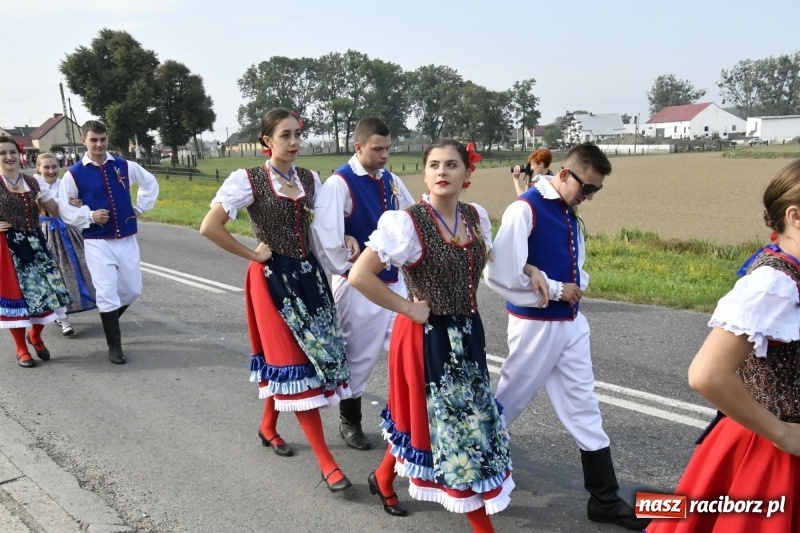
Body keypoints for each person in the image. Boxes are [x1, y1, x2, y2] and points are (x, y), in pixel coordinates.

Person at [349, 140, 513, 532]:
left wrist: (535, 273)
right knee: (459, 431)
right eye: (434, 165)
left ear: (466, 175)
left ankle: (384, 477)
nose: (442, 171)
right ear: (424, 174)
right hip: (425, 335)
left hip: (468, 333)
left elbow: (493, 266)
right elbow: (360, 275)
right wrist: (407, 307)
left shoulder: (476, 218)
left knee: (425, 419)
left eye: (452, 165)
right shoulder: (406, 223)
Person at [484, 142, 649, 530]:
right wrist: (557, 290)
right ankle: (468, 471)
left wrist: (573, 287)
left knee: (585, 408)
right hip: (536, 326)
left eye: (596, 191)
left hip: (571, 324)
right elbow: (499, 274)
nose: (589, 197)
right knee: (508, 403)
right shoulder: (524, 208)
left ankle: (604, 499)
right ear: (563, 174)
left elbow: (579, 264)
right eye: (586, 188)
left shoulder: (568, 212)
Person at [200, 108, 354, 493]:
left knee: (306, 359)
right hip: (271, 280)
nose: (294, 142)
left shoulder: (310, 178)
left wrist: (347, 238)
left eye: (297, 134)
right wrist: (252, 255)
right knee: (293, 362)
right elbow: (209, 227)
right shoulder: (248, 180)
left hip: (309, 277)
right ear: (267, 141)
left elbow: (324, 227)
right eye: (285, 135)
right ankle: (327, 463)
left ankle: (268, 426)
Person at [646, 160, 800, 533]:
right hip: (769, 454)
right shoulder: (774, 284)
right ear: (795, 216)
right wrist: (782, 433)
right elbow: (707, 373)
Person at [310, 117, 415, 451]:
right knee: (358, 356)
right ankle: (349, 421)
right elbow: (325, 236)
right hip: (356, 286)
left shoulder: (391, 181)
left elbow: (413, 216)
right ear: (359, 147)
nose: (385, 155)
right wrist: (347, 261)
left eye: (387, 148)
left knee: (408, 349)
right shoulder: (340, 183)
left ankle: (406, 421)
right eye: (377, 149)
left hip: (394, 282)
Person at [57, 120, 159, 365]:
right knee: (106, 292)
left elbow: (150, 183)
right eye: (94, 140)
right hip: (97, 241)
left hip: (126, 237)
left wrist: (139, 207)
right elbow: (64, 208)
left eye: (102, 139)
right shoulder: (74, 173)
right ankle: (115, 346)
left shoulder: (124, 165)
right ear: (84, 141)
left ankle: (108, 317)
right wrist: (89, 216)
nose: (99, 144)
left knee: (133, 289)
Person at [0, 137, 72, 367]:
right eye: (2, 153)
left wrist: (75, 206)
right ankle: (21, 348)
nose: (9, 157)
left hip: (36, 244)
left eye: (12, 151)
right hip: (9, 246)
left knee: (50, 294)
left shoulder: (33, 181)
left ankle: (36, 336)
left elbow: (56, 212)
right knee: (19, 299)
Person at [34, 153, 96, 336]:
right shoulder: (34, 186)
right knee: (53, 276)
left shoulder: (65, 184)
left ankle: (84, 305)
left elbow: (82, 202)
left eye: (54, 166)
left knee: (78, 270)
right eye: (46, 167)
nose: (51, 170)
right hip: (44, 232)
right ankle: (63, 319)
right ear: (39, 168)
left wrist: (80, 203)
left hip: (67, 231)